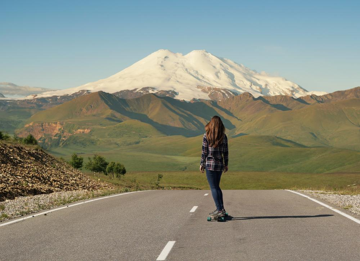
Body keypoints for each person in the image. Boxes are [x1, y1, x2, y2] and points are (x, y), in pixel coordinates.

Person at [200, 115, 229, 219]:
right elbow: (225, 152)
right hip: (220, 165)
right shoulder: (223, 136)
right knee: (217, 187)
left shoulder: (206, 135)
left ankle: (219, 210)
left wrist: (202, 164)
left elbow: (204, 152)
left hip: (210, 165)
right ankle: (221, 209)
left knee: (214, 187)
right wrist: (226, 164)